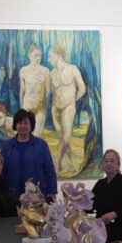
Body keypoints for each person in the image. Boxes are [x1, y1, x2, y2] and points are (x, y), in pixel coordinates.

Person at [0, 109, 58, 203]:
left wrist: (52, 191)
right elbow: (2, 171)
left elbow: (49, 169)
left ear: (31, 126)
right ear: (15, 125)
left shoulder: (41, 145)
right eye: (20, 123)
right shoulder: (7, 146)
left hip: (37, 195)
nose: (23, 126)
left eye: (26, 123)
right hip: (12, 195)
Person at [48, 46, 87, 174]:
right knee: (64, 139)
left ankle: (57, 163)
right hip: (56, 109)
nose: (48, 59)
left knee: (66, 137)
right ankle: (70, 165)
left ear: (58, 55)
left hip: (69, 107)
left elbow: (82, 88)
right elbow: (53, 97)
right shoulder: (52, 73)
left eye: (50, 56)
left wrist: (72, 100)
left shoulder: (72, 69)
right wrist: (53, 114)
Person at [91, 149, 122, 243]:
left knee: (99, 238)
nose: (108, 164)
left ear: (118, 164)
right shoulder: (100, 184)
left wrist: (114, 214)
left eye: (112, 161)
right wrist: (79, 202)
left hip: (119, 224)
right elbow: (91, 205)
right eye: (106, 161)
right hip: (101, 224)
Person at [19, 45, 50, 138]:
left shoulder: (45, 71)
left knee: (36, 137)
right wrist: (22, 109)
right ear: (29, 56)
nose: (38, 58)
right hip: (27, 108)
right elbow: (22, 91)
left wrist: (44, 106)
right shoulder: (23, 71)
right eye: (35, 55)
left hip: (40, 109)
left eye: (39, 55)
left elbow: (48, 92)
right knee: (27, 137)